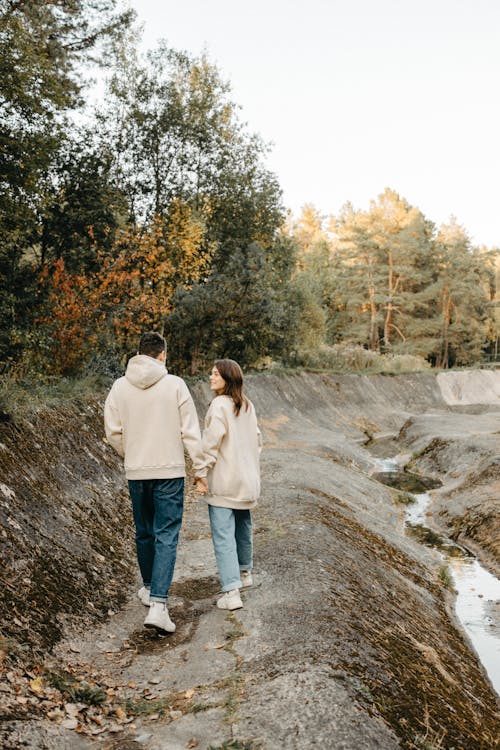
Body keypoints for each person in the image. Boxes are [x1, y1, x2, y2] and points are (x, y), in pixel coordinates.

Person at [104, 332, 208, 633]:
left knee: (145, 532)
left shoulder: (119, 387)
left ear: (139, 354)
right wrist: (200, 468)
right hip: (169, 471)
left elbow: (113, 431)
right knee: (166, 534)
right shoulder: (175, 384)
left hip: (137, 471)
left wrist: (132, 453)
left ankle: (150, 589)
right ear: (162, 355)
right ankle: (159, 607)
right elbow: (191, 432)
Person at [199, 359, 262, 611]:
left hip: (225, 481)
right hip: (247, 480)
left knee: (223, 534)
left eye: (216, 374)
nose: (211, 377)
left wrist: (200, 473)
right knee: (243, 526)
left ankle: (231, 590)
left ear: (227, 378)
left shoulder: (218, 406)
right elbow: (257, 441)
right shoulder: (247, 405)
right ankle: (245, 574)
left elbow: (210, 444)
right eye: (211, 373)